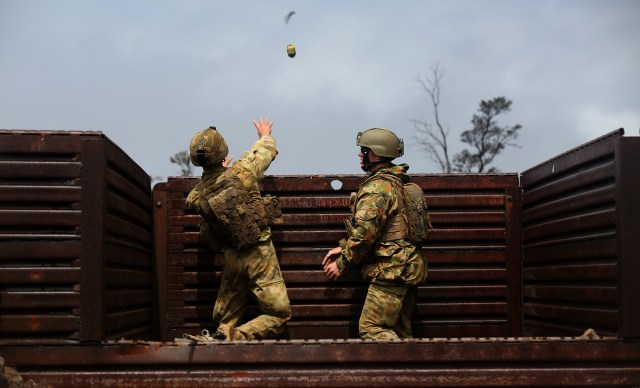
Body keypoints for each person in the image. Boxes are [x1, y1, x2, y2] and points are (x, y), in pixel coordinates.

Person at [184, 118, 291, 341]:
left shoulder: (195, 197)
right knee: (278, 314)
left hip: (232, 256)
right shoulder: (242, 172)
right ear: (223, 152)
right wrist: (264, 134)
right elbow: (265, 150)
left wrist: (218, 172)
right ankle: (235, 336)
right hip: (259, 254)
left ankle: (220, 336)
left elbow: (212, 188)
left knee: (226, 319)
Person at [322, 128, 428, 339]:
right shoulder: (397, 182)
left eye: (364, 150)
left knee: (372, 330)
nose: (360, 155)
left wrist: (342, 262)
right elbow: (386, 230)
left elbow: (365, 233)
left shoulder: (377, 187)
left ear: (376, 154)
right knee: (400, 332)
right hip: (406, 265)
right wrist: (344, 247)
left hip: (391, 269)